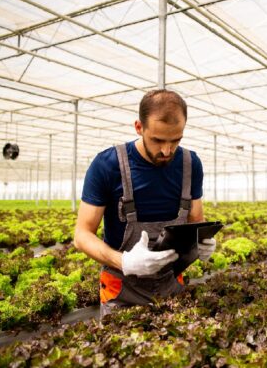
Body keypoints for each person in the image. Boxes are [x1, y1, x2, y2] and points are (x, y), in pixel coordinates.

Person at [74, 89, 216, 317]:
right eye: (158, 140)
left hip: (172, 285)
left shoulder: (191, 164)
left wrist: (200, 241)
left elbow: (196, 220)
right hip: (122, 290)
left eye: (176, 140)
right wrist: (124, 261)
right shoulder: (108, 165)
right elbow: (82, 235)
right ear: (139, 127)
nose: (167, 150)